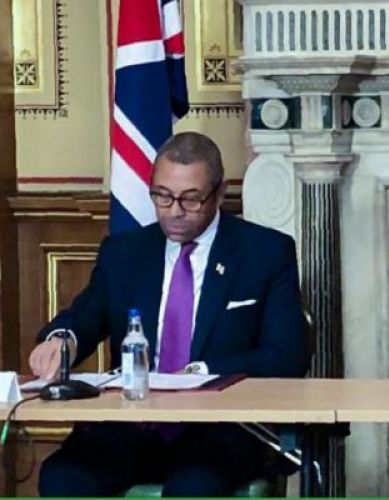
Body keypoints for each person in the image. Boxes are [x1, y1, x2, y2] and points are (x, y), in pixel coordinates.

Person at [28, 132, 308, 497]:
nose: (174, 210)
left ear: (219, 194)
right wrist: (61, 341)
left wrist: (202, 373)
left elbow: (286, 356)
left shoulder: (264, 253)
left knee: (194, 488)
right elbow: (85, 316)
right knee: (63, 477)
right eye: (162, 196)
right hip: (131, 423)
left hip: (218, 429)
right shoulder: (124, 253)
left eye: (191, 199)